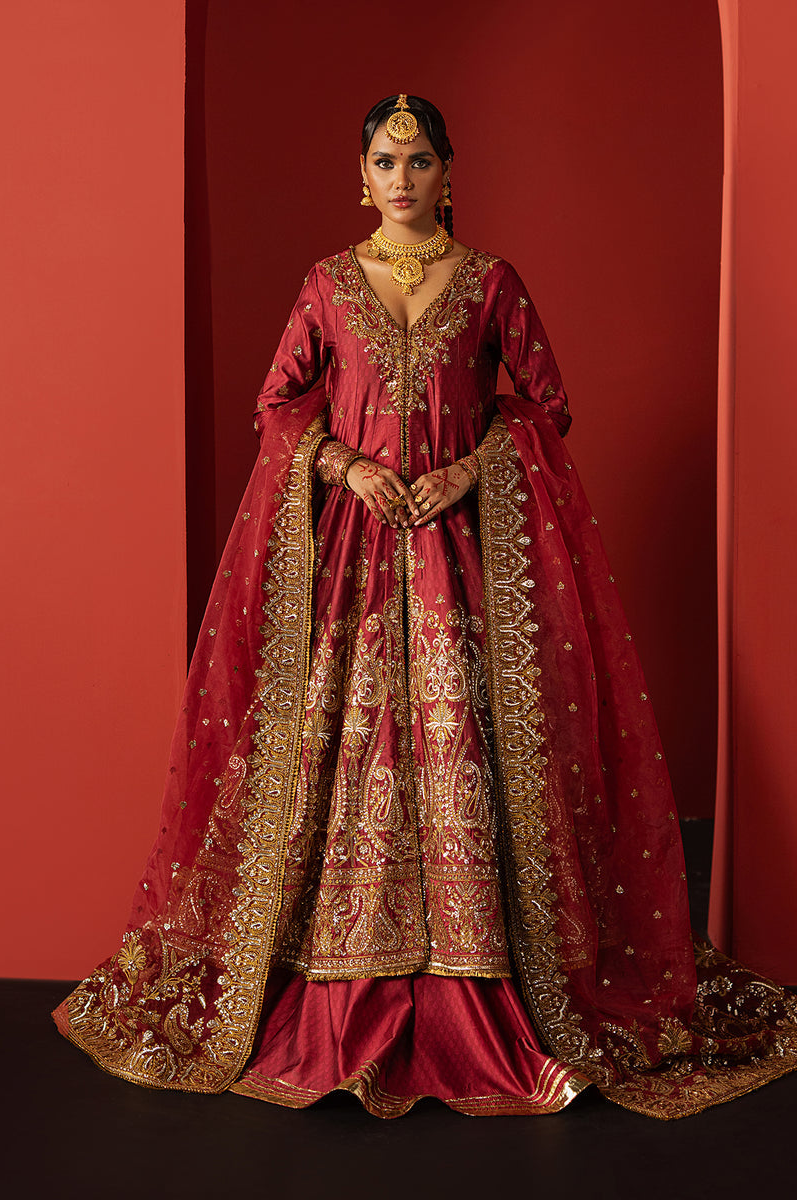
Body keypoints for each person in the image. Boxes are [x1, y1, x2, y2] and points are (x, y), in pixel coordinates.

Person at [54, 94, 797, 1119]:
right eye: (383, 161)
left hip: (460, 553)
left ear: (449, 173)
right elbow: (277, 404)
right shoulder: (327, 284)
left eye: (418, 161)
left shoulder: (490, 282)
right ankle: (339, 984)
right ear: (359, 177)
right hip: (352, 557)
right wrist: (347, 466)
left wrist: (466, 472)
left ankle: (480, 990)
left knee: (467, 746)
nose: (400, 179)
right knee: (343, 746)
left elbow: (545, 405)